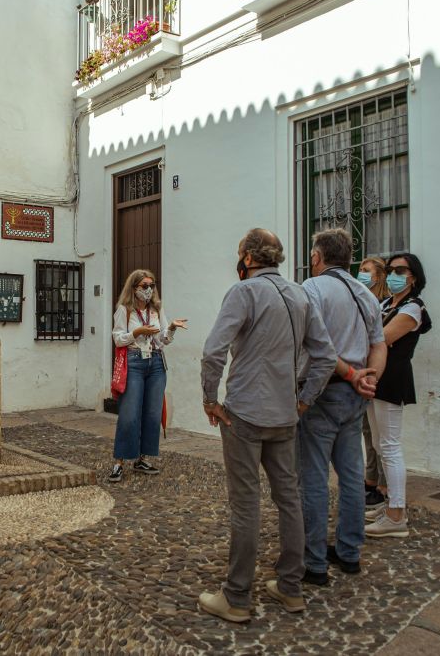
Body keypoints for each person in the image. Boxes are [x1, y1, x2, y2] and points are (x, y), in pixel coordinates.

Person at [197, 229, 336, 622]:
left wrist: (209, 398)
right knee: (288, 498)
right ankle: (290, 587)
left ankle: (236, 596)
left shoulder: (243, 292)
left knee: (246, 503)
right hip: (285, 413)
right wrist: (304, 400)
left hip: (244, 412)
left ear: (247, 257)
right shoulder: (301, 295)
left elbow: (213, 351)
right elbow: (325, 356)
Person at [298, 229, 387, 585]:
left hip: (325, 391)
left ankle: (314, 561)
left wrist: (352, 375)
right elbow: (379, 345)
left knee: (314, 477)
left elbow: (318, 346)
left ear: (317, 257)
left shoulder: (312, 288)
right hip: (355, 396)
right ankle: (349, 552)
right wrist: (370, 379)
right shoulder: (366, 294)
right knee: (351, 475)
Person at [364, 252, 432, 539]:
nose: (394, 275)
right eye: (391, 270)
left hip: (392, 380)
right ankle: (391, 503)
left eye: (401, 271)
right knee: (379, 444)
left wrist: (372, 337)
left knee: (390, 445)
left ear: (413, 277)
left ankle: (396, 515)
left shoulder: (413, 308)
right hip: (376, 377)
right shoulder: (385, 304)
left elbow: (381, 337)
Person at [108, 269, 187, 483]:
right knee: (129, 413)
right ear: (134, 288)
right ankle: (119, 462)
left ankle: (142, 459)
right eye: (144, 286)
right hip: (134, 361)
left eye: (152, 285)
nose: (149, 289)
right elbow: (117, 339)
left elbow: (162, 340)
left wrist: (171, 328)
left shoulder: (156, 310)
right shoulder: (124, 310)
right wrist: (137, 332)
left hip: (156, 363)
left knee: (152, 414)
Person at [357, 256, 391, 510]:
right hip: (362, 373)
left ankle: (383, 485)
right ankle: (371, 478)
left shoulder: (384, 305)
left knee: (380, 434)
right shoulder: (362, 300)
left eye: (366, 270)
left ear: (378, 276)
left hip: (378, 374)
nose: (361, 273)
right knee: (368, 431)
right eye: (360, 269)